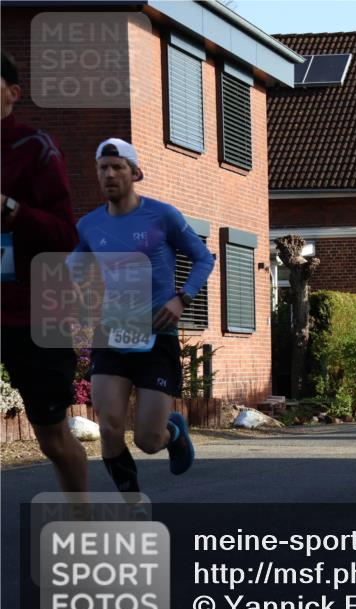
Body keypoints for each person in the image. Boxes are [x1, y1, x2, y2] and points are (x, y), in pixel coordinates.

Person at [70, 138, 215, 496]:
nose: (109, 174)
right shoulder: (88, 225)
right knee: (108, 425)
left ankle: (174, 432)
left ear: (135, 172)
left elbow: (204, 258)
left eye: (117, 167)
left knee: (149, 440)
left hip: (157, 335)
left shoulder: (162, 215)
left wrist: (182, 299)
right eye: (103, 168)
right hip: (112, 332)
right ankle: (130, 498)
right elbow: (73, 267)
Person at [0, 52, 88, 493]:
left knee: (52, 437)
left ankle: (82, 526)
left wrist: (13, 212)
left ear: (13, 93)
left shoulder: (34, 148)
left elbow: (66, 234)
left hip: (34, 313)